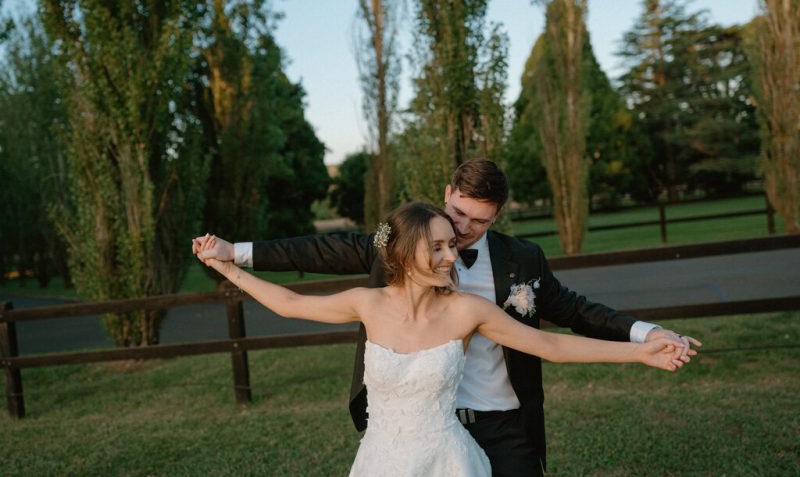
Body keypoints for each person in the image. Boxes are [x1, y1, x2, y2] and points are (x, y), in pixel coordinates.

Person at [193, 158, 701, 476]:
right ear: (445, 198)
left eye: (476, 223)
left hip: (498, 426)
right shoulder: (392, 258)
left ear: (496, 216)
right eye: (455, 218)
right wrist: (233, 256)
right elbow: (317, 261)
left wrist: (643, 342)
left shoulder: (510, 271)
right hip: (396, 444)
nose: (457, 240)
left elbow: (562, 331)